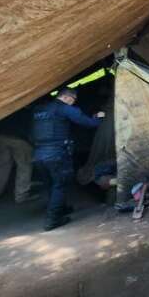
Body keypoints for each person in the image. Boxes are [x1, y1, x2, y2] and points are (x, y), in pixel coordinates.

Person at [32, 87, 104, 231]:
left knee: (51, 184)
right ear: (67, 98)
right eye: (73, 100)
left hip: (39, 154)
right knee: (60, 184)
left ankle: (61, 209)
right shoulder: (64, 109)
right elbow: (89, 123)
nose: (73, 103)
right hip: (56, 154)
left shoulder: (40, 110)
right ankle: (52, 220)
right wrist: (99, 117)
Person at [0, 134, 35, 203]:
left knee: (3, 166)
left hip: (0, 136)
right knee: (24, 166)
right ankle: (21, 195)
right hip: (19, 137)